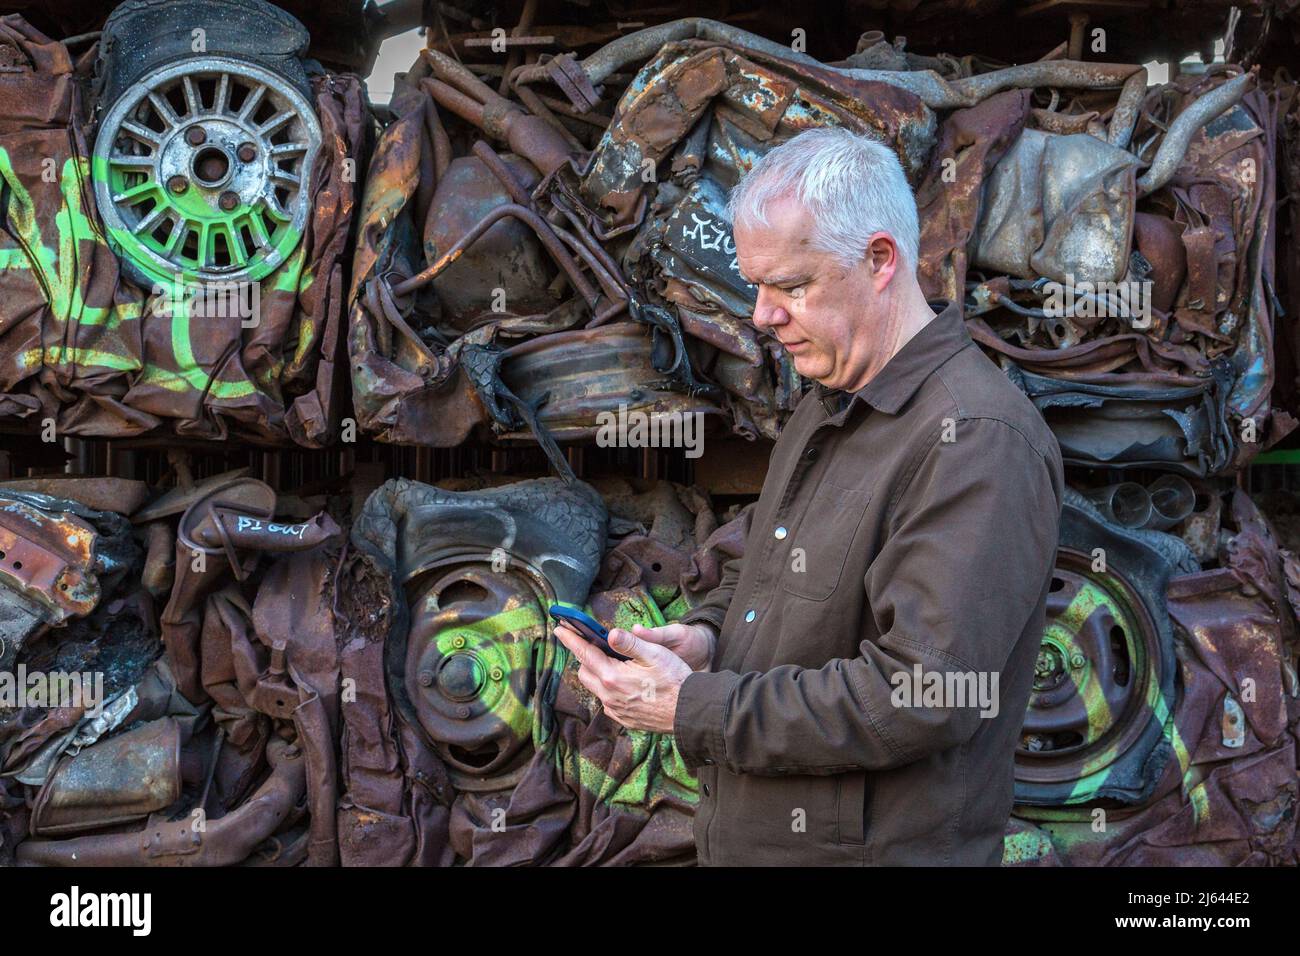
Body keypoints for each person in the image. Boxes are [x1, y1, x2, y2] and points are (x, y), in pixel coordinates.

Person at [555, 126, 1064, 866]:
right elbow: (766, 572)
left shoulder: (978, 439)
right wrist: (704, 639)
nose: (762, 315)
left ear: (881, 260)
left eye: (791, 287)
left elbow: (927, 694)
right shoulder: (828, 404)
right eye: (757, 286)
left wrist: (690, 707)